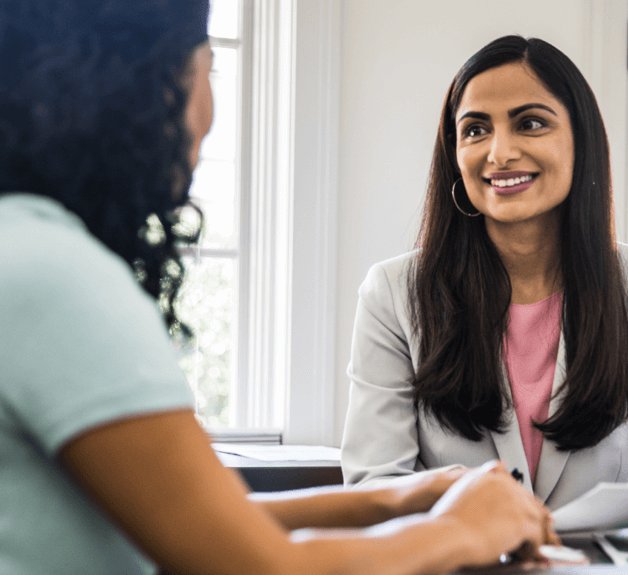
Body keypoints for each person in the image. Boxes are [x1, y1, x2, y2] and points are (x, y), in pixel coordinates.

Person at [0, 4, 557, 573]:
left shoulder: (26, 250)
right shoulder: (58, 282)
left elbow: (207, 522)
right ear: (148, 87)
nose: (211, 112)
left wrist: (397, 497)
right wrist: (462, 530)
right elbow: (261, 566)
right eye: (208, 72)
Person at [341, 34, 628, 512]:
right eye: (475, 130)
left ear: (582, 141)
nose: (499, 153)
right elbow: (376, 486)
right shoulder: (392, 295)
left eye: (530, 123)